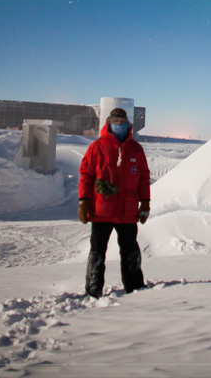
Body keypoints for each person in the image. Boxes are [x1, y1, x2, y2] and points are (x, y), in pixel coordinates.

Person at [78, 107, 151, 298]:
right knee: (97, 252)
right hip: (101, 211)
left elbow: (143, 177)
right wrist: (84, 201)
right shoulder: (97, 147)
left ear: (128, 124)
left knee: (130, 251)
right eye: (115, 122)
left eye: (122, 122)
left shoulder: (136, 149)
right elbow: (86, 175)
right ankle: (93, 290)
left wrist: (145, 203)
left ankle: (134, 287)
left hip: (127, 212)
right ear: (108, 123)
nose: (119, 125)